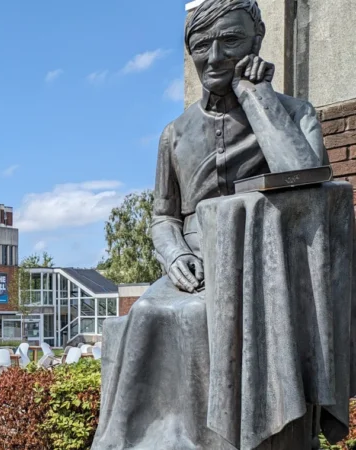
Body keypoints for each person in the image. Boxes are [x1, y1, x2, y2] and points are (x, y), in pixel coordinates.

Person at [90, 1, 340, 449]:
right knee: (147, 313)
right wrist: (175, 254)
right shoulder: (174, 133)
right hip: (196, 258)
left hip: (268, 265)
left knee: (201, 317)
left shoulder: (297, 114)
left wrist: (257, 96)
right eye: (202, 45)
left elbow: (304, 181)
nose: (215, 56)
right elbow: (163, 215)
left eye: (231, 41)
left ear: (256, 41)